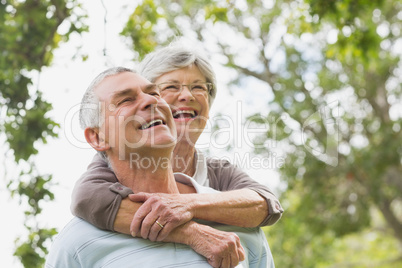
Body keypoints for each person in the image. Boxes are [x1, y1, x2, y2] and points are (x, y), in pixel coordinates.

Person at [71, 42, 283, 263]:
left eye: (198, 87)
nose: (187, 96)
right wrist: (190, 232)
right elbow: (86, 198)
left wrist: (185, 204)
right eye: (171, 87)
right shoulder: (110, 166)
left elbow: (266, 204)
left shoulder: (218, 172)